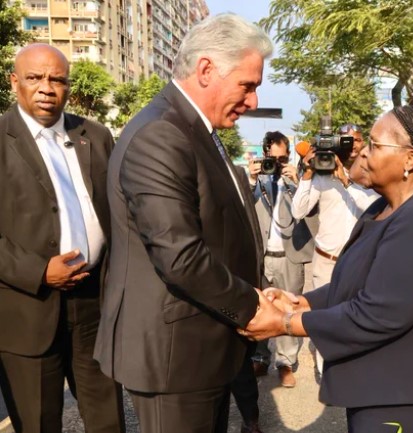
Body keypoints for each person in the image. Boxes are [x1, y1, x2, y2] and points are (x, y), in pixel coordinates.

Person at [244, 106, 413, 433]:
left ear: (410, 159)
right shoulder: (387, 207)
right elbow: (360, 280)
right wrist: (303, 302)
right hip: (384, 391)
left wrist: (286, 323)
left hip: (410, 402)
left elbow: (379, 313)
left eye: (374, 144)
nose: (362, 152)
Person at [93, 14, 273, 433]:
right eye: (247, 85)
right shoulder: (161, 134)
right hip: (174, 356)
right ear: (206, 69)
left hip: (202, 346)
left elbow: (220, 229)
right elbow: (180, 256)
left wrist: (256, 290)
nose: (252, 102)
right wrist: (253, 307)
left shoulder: (196, 129)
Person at [0, 43, 124, 433]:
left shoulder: (97, 136)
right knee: (38, 423)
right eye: (35, 78)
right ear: (14, 82)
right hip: (28, 309)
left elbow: (120, 214)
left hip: (94, 305)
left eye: (57, 79)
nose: (46, 88)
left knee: (109, 421)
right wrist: (39, 271)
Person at [291, 122, 378, 376]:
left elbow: (371, 210)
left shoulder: (372, 175)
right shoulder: (322, 175)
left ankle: (356, 369)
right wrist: (307, 174)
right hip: (326, 261)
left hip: (361, 260)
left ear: (363, 143)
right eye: (346, 140)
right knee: (325, 317)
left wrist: (347, 180)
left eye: (357, 140)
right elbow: (298, 211)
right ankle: (327, 372)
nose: (352, 146)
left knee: (360, 316)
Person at [248, 131, 316, 388]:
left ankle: (286, 362)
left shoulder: (295, 182)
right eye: (272, 158)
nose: (276, 163)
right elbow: (242, 203)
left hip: (291, 255)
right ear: (265, 155)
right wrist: (253, 179)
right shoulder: (257, 183)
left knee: (290, 307)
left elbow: (309, 211)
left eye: (283, 157)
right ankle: (260, 357)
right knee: (259, 306)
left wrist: (298, 181)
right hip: (263, 255)